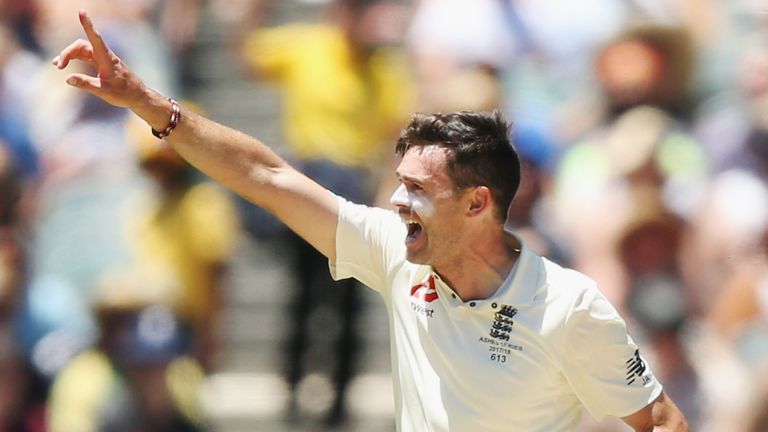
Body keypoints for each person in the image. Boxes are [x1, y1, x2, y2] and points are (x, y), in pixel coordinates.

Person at [52, 10, 689, 431]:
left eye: (416, 190)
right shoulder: (394, 251)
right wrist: (147, 103)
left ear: (477, 205)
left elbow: (659, 421)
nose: (395, 202)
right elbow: (266, 176)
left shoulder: (569, 306)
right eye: (398, 183)